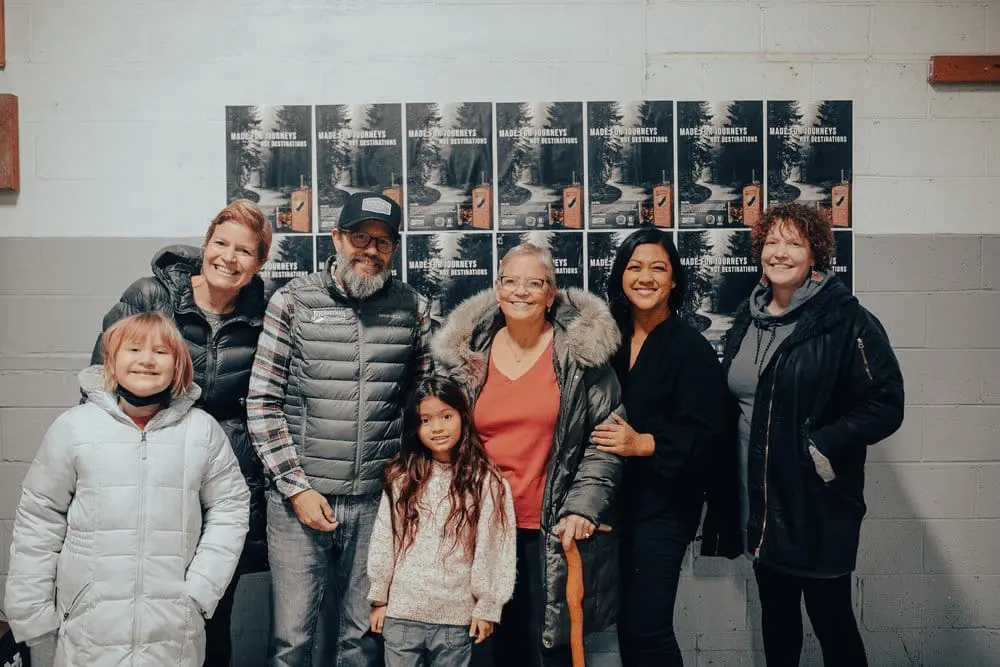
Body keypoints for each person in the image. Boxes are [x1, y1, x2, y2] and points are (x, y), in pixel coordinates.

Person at [247, 191, 433, 667]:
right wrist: (296, 489)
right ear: (336, 238)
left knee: (362, 641)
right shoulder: (292, 302)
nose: (369, 250)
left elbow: (430, 404)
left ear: (394, 249)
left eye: (383, 242)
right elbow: (263, 403)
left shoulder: (413, 309)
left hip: (377, 504)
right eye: (359, 237)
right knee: (291, 643)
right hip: (299, 503)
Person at [5, 312, 250, 666]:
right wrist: (33, 617)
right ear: (111, 360)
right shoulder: (74, 428)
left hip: (172, 636)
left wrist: (199, 590)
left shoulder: (202, 432)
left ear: (178, 366)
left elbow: (231, 506)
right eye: (133, 348)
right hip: (87, 633)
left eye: (161, 352)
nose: (147, 360)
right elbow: (38, 519)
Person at [90, 199, 272, 666]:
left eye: (244, 251)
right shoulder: (151, 296)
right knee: (143, 608)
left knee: (211, 610)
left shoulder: (265, 315)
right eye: (221, 243)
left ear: (259, 263)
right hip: (152, 471)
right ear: (206, 243)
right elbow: (99, 378)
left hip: (222, 479)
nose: (228, 258)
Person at [721, 202, 904, 666]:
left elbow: (885, 404)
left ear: (815, 254)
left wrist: (820, 445)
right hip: (762, 502)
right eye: (772, 241)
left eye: (794, 243)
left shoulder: (847, 321)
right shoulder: (750, 316)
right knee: (778, 624)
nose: (779, 252)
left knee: (832, 623)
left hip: (818, 505)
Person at [432, 243, 625, 667]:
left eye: (534, 283)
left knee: (549, 650)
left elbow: (605, 443)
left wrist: (581, 510)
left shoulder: (580, 358)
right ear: (497, 289)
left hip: (551, 529)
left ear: (551, 293)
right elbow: (437, 436)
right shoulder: (466, 356)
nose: (521, 291)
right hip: (481, 529)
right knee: (487, 651)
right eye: (510, 281)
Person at [589, 228, 729, 667]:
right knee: (628, 627)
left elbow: (711, 434)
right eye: (634, 267)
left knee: (649, 629)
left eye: (658, 268)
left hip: (664, 509)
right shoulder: (605, 340)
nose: (645, 277)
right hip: (612, 504)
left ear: (673, 281)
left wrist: (645, 443)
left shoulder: (691, 348)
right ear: (620, 276)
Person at [367, 375, 516, 667]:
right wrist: (379, 599)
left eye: (446, 416)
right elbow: (385, 538)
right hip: (402, 617)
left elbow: (495, 548)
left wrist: (488, 606)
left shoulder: (486, 480)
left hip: (455, 620)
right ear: (415, 427)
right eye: (425, 420)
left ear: (463, 417)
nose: (437, 428)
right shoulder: (402, 478)